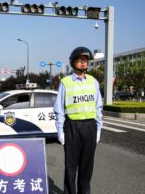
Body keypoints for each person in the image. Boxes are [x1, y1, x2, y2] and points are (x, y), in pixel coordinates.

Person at [53, 46, 103, 194]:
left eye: (85, 60)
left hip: (90, 127)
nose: (83, 63)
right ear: (73, 62)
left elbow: (98, 107)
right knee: (71, 167)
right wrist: (60, 131)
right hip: (72, 127)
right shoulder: (66, 82)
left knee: (87, 168)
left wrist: (99, 129)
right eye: (80, 60)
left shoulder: (94, 82)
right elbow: (59, 109)